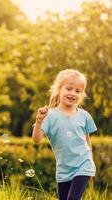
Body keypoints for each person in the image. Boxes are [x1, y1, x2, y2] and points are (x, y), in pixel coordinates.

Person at [32, 69, 97, 200]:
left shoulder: (84, 116)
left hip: (83, 165)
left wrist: (91, 163)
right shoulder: (49, 116)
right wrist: (39, 121)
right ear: (58, 89)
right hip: (63, 170)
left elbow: (87, 140)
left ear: (82, 94)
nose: (73, 93)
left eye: (78, 91)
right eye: (69, 89)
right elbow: (36, 139)